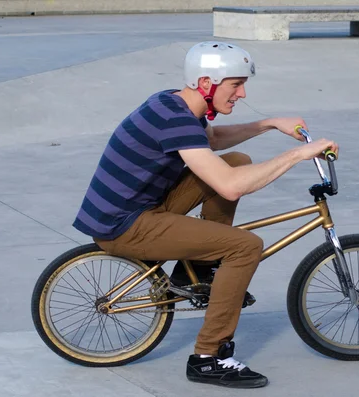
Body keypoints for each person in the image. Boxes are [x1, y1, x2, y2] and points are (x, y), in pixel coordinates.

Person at [72, 41, 338, 389]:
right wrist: (299, 154)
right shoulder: (176, 118)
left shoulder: (175, 103)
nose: (242, 93)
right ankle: (208, 357)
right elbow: (229, 188)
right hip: (124, 226)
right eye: (235, 84)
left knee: (237, 160)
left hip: (135, 207)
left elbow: (210, 140)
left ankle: (195, 271)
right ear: (207, 84)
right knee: (245, 247)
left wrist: (271, 124)